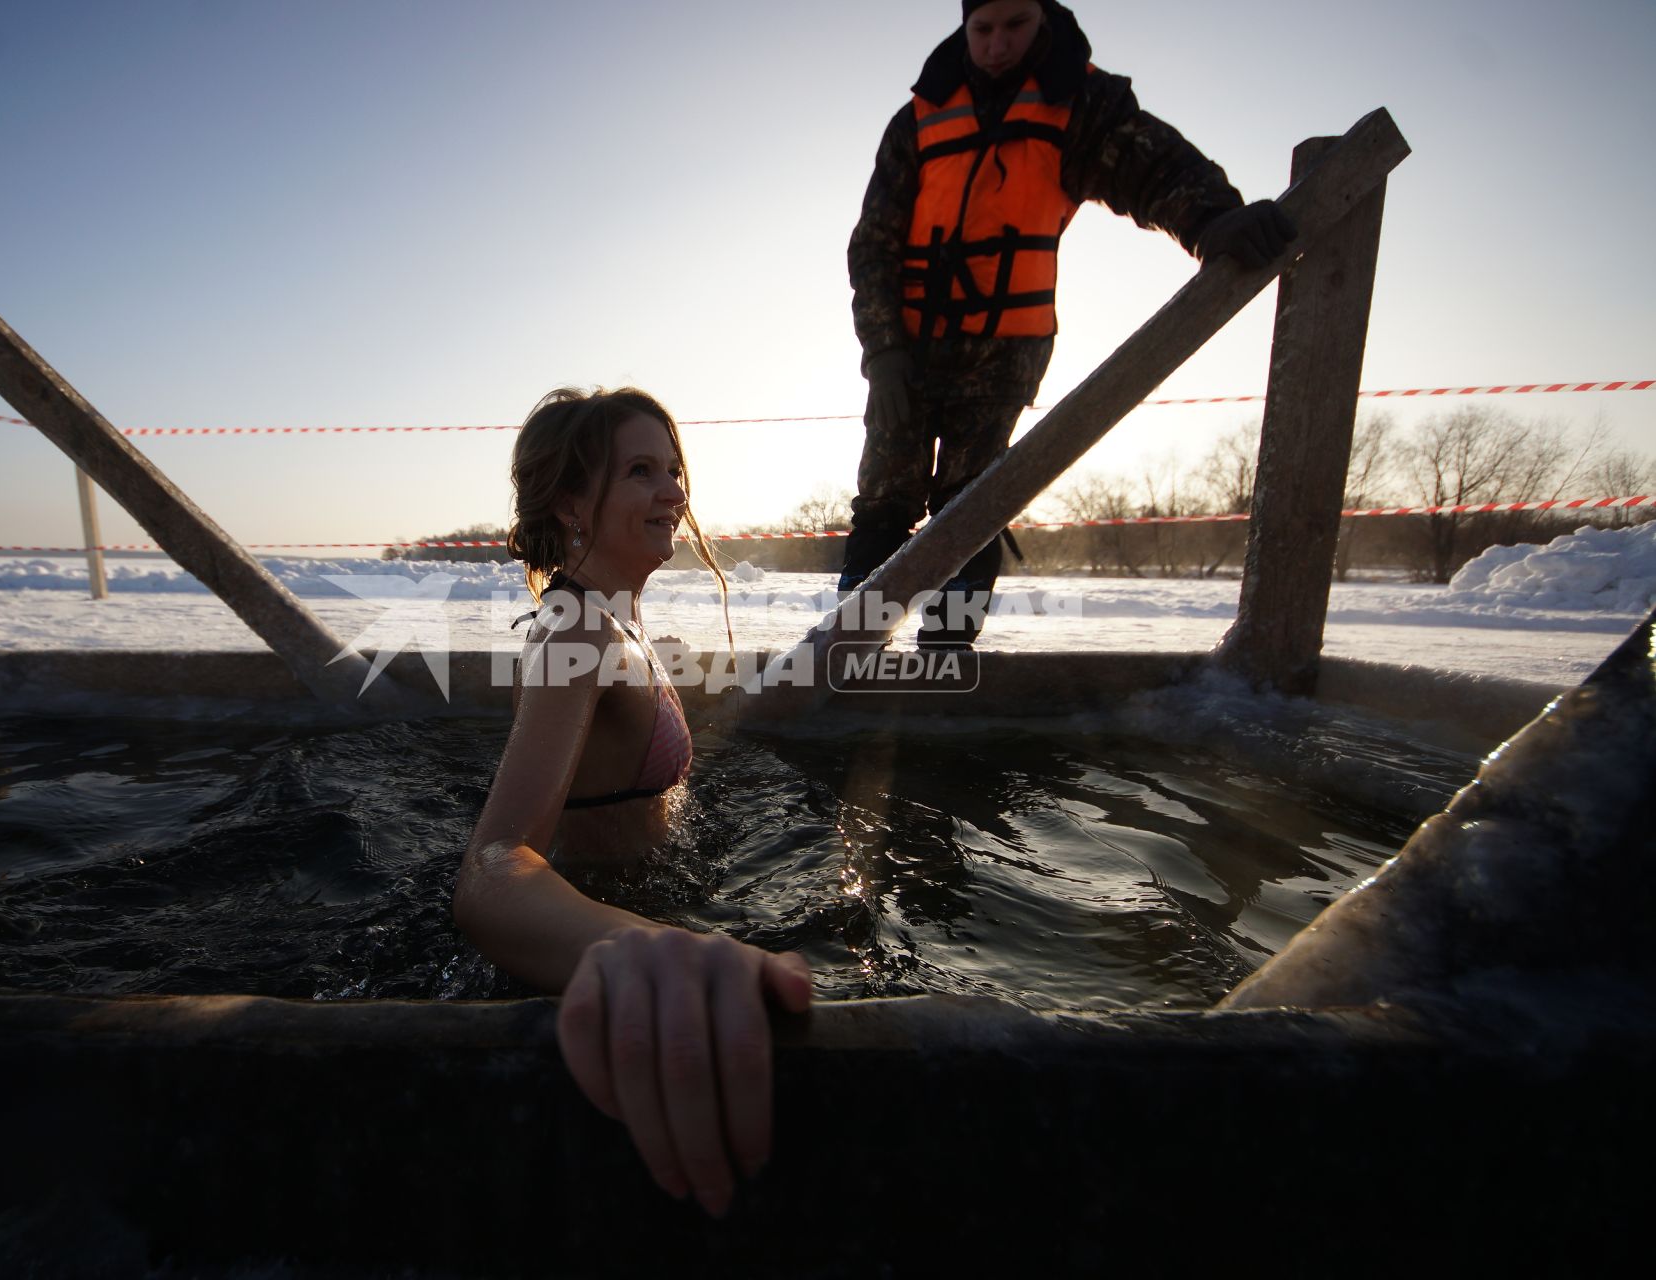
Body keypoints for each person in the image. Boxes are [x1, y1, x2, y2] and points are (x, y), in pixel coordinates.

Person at [454, 387, 813, 1219]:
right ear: (572, 503)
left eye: (674, 469)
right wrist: (645, 951)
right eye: (641, 472)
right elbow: (490, 871)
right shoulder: (575, 633)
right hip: (592, 957)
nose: (673, 492)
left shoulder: (612, 623)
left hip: (637, 905)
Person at [844, 0, 1297, 646]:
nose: (997, 44)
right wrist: (883, 352)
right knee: (885, 498)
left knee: (971, 504)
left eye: (1014, 26)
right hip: (907, 354)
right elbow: (872, 246)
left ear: (1043, 21)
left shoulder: (1077, 103)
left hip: (1002, 354)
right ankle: (850, 650)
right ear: (965, 30)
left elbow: (1151, 165)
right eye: (983, 30)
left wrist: (1210, 219)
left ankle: (946, 655)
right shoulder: (917, 118)